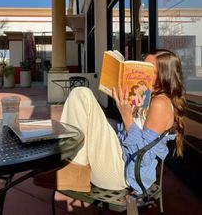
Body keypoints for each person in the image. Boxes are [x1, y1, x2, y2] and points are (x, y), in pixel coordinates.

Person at [33, 49, 186, 194]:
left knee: (82, 93)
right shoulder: (148, 97)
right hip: (115, 160)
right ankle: (70, 165)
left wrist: (127, 117)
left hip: (123, 174)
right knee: (84, 104)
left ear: (165, 76)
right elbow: (125, 133)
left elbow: (142, 157)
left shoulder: (160, 103)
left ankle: (73, 170)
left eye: (149, 70)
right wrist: (121, 112)